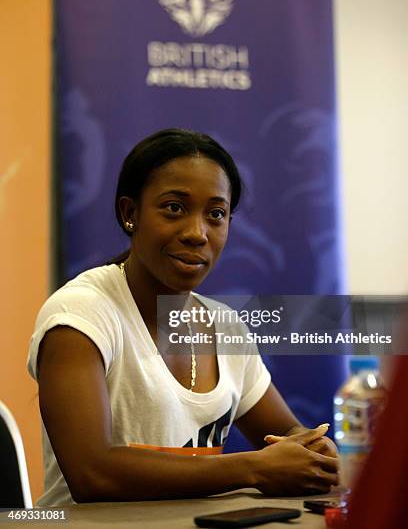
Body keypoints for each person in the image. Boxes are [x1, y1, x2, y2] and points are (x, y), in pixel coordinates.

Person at [28, 128, 338, 505]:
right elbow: (93, 474)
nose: (197, 233)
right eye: (174, 208)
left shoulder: (225, 325)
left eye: (216, 214)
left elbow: (283, 431)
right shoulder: (80, 313)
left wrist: (309, 450)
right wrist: (255, 468)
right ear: (130, 214)